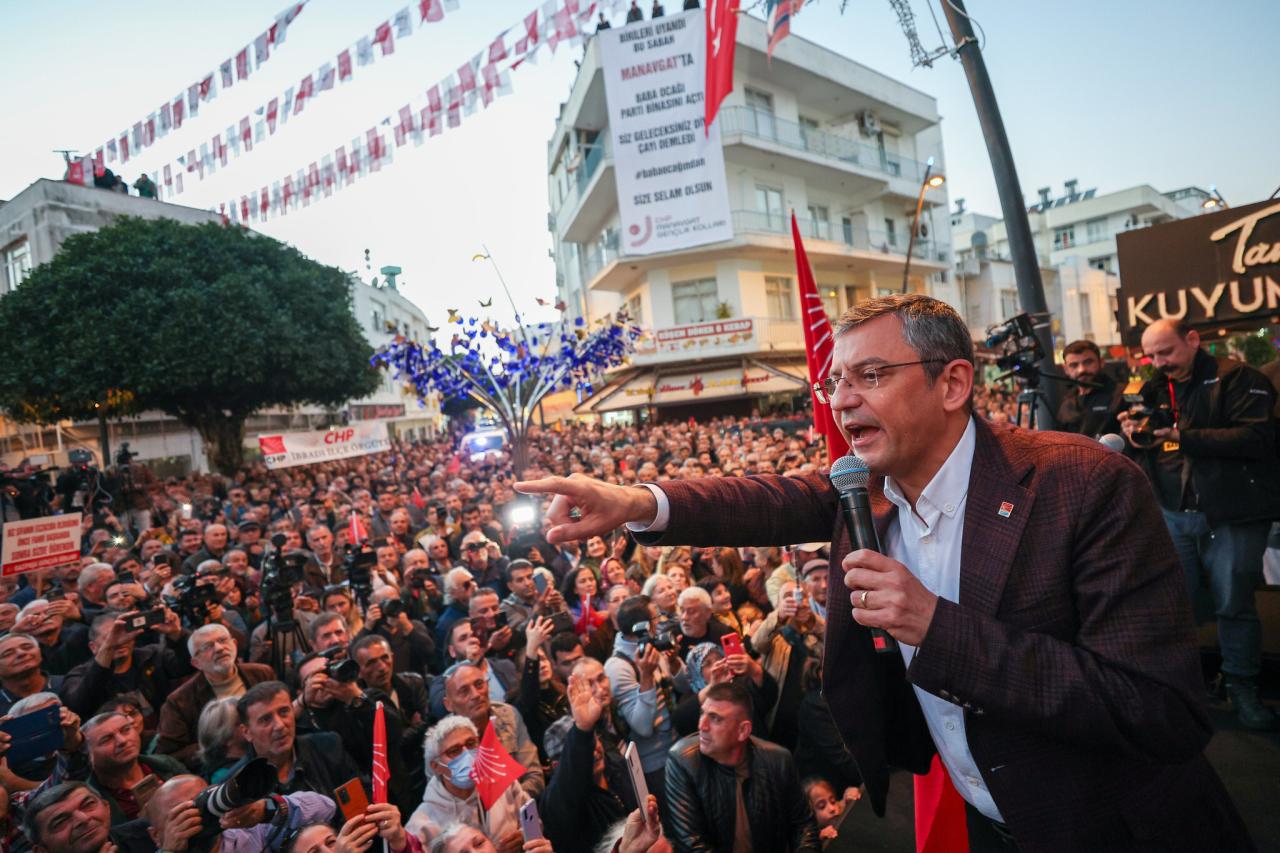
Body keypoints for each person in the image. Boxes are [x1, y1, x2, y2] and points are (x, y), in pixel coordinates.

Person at [517, 294, 1251, 851]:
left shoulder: (1083, 486)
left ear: (954, 382)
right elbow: (762, 502)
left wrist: (938, 627)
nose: (840, 401)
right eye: (838, 381)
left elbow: (1161, 708)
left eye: (870, 374)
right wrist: (632, 500)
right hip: (989, 821)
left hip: (1121, 825)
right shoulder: (865, 486)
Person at [1121, 318, 1280, 731]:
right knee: (1176, 607)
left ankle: (1242, 687)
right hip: (1174, 512)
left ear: (1192, 340)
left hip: (1234, 513)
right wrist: (1132, 431)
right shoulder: (1149, 383)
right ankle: (1186, 690)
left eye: (1166, 352)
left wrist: (1178, 434)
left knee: (1235, 605)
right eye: (1152, 355)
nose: (1159, 362)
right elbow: (1142, 434)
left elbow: (1257, 439)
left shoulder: (1240, 377)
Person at [664, 681, 819, 851]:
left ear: (743, 731)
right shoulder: (682, 762)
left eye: (715, 718)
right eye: (702, 714)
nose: (702, 725)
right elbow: (694, 845)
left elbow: (803, 825)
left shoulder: (778, 760)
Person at [155, 623, 276, 765]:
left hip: (272, 753)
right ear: (196, 663)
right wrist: (218, 745)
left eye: (223, 640)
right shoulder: (179, 702)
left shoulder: (262, 674)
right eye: (207, 647)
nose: (219, 649)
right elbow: (168, 756)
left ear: (234, 644)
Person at [540, 669, 633, 853]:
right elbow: (572, 774)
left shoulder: (616, 765)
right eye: (584, 749)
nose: (594, 751)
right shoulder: (557, 802)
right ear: (559, 766)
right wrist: (582, 730)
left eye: (594, 741)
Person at [405, 715, 530, 851]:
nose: (467, 754)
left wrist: (524, 835)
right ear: (436, 766)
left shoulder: (504, 783)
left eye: (471, 744)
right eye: (454, 751)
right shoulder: (422, 823)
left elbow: (534, 823)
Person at [601, 596, 677, 809]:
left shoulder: (651, 647)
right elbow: (642, 727)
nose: (660, 621)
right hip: (654, 765)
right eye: (656, 616)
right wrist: (645, 676)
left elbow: (676, 690)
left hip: (675, 746)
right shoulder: (618, 667)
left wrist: (674, 662)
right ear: (643, 626)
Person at [58, 609, 190, 728]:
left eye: (124, 634)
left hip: (162, 733)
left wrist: (177, 634)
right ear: (93, 647)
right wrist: (109, 647)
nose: (120, 641)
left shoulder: (152, 656)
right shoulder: (79, 675)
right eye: (111, 637)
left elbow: (188, 666)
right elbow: (79, 705)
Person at [145, 774, 335, 853]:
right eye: (179, 814)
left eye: (200, 802)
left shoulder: (248, 829)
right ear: (155, 836)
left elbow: (326, 808)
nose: (195, 815)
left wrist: (267, 810)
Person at [238, 680, 363, 796]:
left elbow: (360, 800)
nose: (279, 725)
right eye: (266, 720)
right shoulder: (236, 786)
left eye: (284, 712)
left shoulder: (328, 747)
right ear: (247, 732)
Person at [79, 711, 186, 824]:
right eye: (107, 739)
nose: (122, 741)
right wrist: (143, 823)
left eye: (125, 730)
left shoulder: (166, 764)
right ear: (87, 752)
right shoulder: (90, 800)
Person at [1055, 339, 1123, 438]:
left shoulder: (1120, 394)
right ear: (1066, 369)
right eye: (1074, 365)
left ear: (1101, 362)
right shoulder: (1066, 402)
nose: (1082, 369)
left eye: (1088, 362)